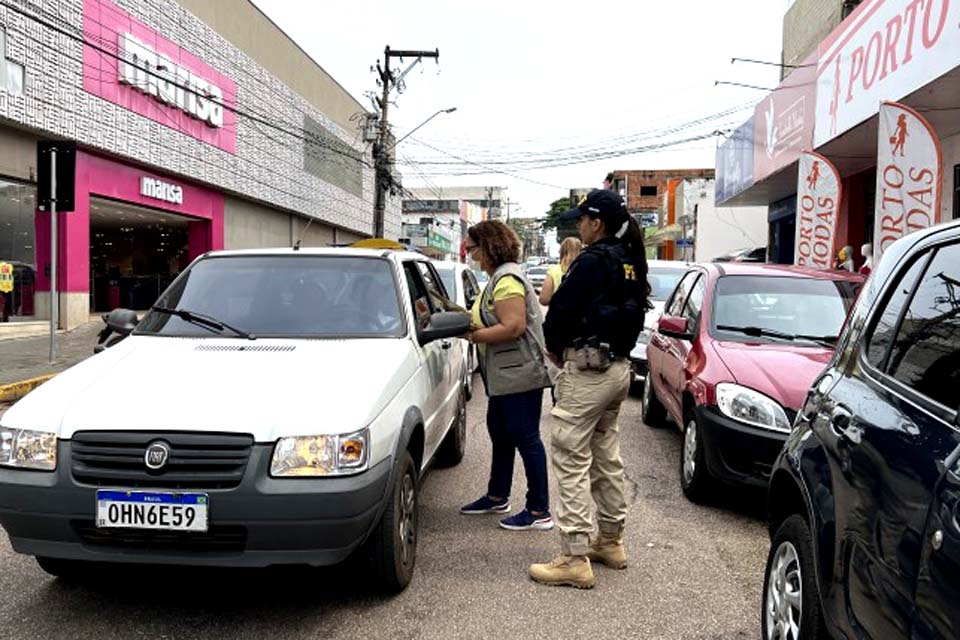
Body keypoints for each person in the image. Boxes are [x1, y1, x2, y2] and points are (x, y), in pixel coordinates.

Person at [529, 189, 649, 590]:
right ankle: (611, 542)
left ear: (596, 223)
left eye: (582, 219)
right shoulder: (631, 260)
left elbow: (560, 311)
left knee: (569, 457)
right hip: (617, 370)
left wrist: (557, 351)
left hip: (589, 372)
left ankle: (574, 556)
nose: (578, 224)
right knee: (604, 454)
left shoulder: (593, 260)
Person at [460, 220, 554, 531]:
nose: (471, 255)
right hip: (503, 376)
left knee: (526, 437)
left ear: (488, 247)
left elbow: (512, 327)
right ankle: (497, 495)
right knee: (500, 433)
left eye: (473, 249)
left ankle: (539, 510)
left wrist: (475, 336)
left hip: (519, 374)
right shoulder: (496, 278)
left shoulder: (507, 279)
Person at [539, 237, 582, 306]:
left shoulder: (553, 270)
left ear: (561, 251)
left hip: (559, 315)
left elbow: (544, 299)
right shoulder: (587, 269)